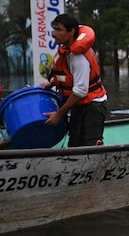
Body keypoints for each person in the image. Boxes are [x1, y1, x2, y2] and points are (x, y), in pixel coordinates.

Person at [41, 14, 107, 147]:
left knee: (90, 145)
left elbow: (80, 91)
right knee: (75, 143)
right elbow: (69, 77)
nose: (54, 33)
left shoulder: (79, 57)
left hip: (93, 105)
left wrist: (59, 114)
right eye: (53, 29)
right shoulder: (67, 52)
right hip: (79, 103)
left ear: (71, 32)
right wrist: (52, 83)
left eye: (59, 30)